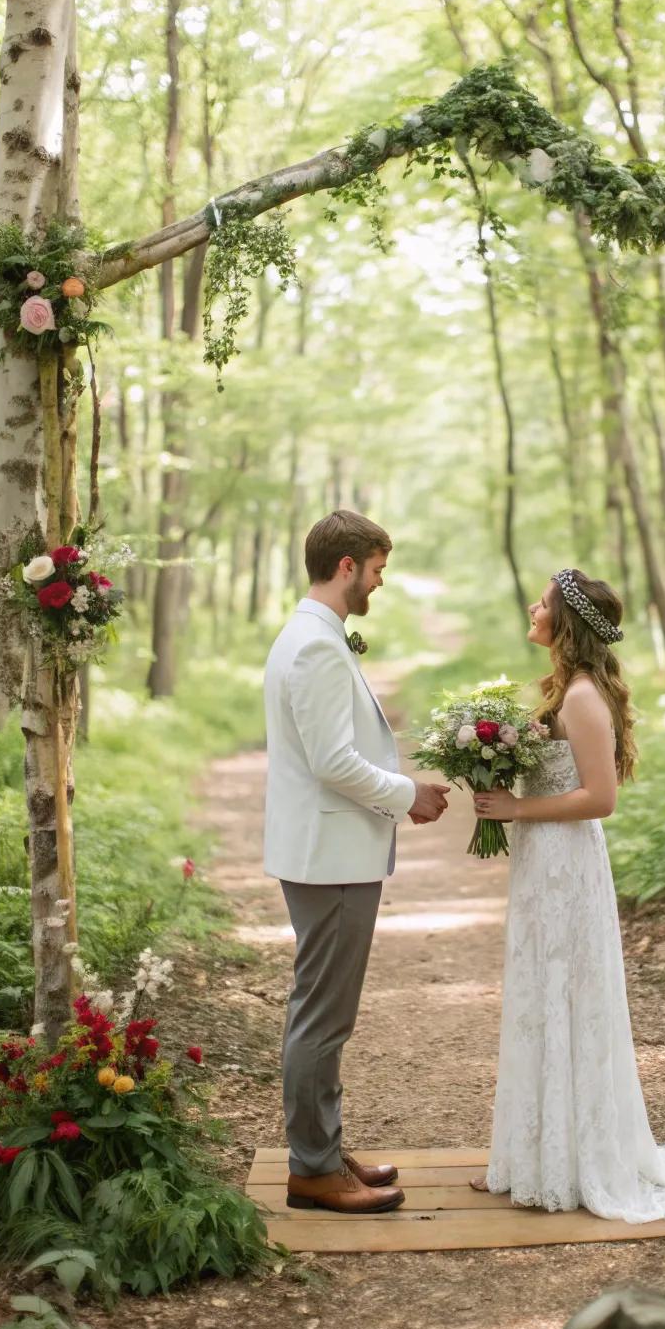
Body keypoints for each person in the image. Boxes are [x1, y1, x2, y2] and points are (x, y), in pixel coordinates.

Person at [471, 568, 665, 1225]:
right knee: (539, 997)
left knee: (564, 995)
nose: (532, 608)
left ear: (567, 624)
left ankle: (571, 1161)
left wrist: (516, 808)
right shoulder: (563, 689)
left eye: (543, 603)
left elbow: (601, 799)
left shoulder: (583, 697)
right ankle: (532, 1156)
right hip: (543, 864)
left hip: (565, 864)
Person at [263, 510, 449, 1215]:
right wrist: (408, 796)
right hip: (328, 856)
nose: (379, 581)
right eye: (375, 569)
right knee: (322, 1017)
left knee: (326, 1013)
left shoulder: (314, 635)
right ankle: (312, 1167)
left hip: (328, 851)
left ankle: (325, 1149)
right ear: (346, 567)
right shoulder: (312, 646)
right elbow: (332, 760)